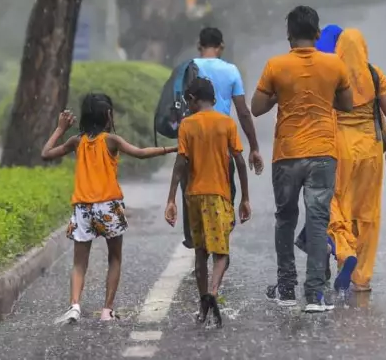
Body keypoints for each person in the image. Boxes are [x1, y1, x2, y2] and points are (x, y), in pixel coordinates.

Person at [251, 5, 353, 313]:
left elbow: (257, 107)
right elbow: (347, 104)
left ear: (289, 36)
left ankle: (286, 288)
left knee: (285, 219)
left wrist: (282, 92)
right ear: (318, 33)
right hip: (323, 153)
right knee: (318, 220)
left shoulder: (275, 65)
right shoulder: (334, 64)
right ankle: (315, 294)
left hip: (287, 155)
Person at [41, 94, 176, 324]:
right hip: (109, 206)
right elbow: (141, 153)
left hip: (82, 208)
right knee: (114, 258)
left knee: (79, 262)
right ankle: (107, 310)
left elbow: (45, 154)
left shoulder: (77, 141)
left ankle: (74, 305)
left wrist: (60, 128)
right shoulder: (111, 140)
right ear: (108, 116)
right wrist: (172, 149)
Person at [165, 77, 251, 328]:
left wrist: (171, 198)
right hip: (219, 196)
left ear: (192, 99)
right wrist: (244, 197)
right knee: (221, 253)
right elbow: (240, 162)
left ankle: (203, 303)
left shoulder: (187, 125)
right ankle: (213, 292)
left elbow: (181, 163)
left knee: (200, 252)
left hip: (193, 196)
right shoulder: (226, 123)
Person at [325, 28, 386, 293]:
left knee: (336, 204)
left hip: (341, 147)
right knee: (367, 213)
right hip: (371, 148)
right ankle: (361, 278)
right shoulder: (374, 73)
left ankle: (345, 253)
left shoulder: (332, 72)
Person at [179, 27, 263, 250]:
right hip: (221, 146)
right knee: (224, 191)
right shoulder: (231, 71)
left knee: (189, 188)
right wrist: (254, 146)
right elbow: (243, 112)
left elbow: (180, 105)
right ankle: (220, 234)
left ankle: (193, 236)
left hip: (193, 143)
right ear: (221, 46)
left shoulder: (190, 68)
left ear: (199, 45)